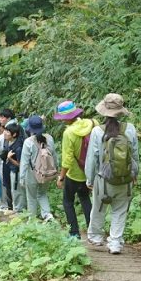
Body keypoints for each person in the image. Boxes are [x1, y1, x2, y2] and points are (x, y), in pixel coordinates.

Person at [84, 93, 139, 255]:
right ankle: (115, 242)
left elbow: (92, 159)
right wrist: (135, 174)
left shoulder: (96, 131)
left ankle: (95, 237)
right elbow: (135, 155)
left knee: (99, 207)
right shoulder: (130, 129)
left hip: (103, 179)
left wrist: (90, 178)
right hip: (125, 178)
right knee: (120, 210)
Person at [54, 99, 94, 240]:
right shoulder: (91, 124)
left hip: (74, 174)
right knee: (85, 199)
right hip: (89, 171)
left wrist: (61, 177)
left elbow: (67, 159)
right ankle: (92, 231)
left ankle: (74, 234)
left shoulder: (69, 133)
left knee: (68, 201)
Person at [21, 115, 58, 221]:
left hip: (32, 173)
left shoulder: (28, 142)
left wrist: (22, 178)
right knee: (42, 193)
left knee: (31, 197)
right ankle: (47, 215)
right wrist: (55, 169)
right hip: (46, 172)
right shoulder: (49, 138)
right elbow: (54, 156)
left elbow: (24, 162)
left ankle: (32, 219)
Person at [1, 121, 23, 214]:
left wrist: (10, 158)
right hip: (10, 170)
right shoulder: (8, 142)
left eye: (7, 132)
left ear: (14, 134)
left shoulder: (18, 147)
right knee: (13, 191)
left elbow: (21, 164)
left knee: (17, 191)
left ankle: (19, 211)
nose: (5, 133)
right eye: (5, 130)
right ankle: (14, 209)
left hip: (16, 172)